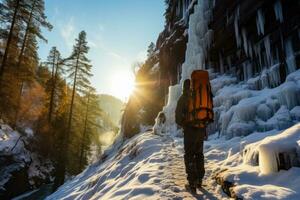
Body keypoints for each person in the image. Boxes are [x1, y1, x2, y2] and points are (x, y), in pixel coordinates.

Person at [175, 79, 206, 194]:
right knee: (199, 154)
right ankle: (199, 180)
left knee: (189, 155)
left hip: (190, 132)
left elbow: (177, 119)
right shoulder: (198, 98)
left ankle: (192, 182)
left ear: (184, 87)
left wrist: (185, 123)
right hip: (201, 131)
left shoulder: (183, 99)